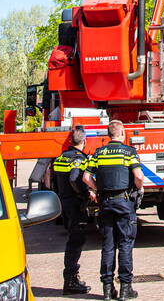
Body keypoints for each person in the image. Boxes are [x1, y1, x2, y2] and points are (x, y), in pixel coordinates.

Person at [84, 120, 145, 301]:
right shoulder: (129, 152)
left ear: (108, 134)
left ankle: (108, 289)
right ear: (122, 133)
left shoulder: (99, 153)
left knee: (108, 245)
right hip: (124, 202)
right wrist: (139, 188)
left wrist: (97, 189)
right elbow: (139, 176)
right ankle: (126, 289)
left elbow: (86, 177)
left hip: (105, 203)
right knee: (125, 244)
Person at [53, 125, 91, 295]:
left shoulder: (60, 158)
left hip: (64, 202)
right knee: (76, 242)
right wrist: (85, 193)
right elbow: (75, 178)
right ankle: (71, 281)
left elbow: (55, 182)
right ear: (84, 141)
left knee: (72, 240)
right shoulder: (79, 159)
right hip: (75, 204)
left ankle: (71, 279)